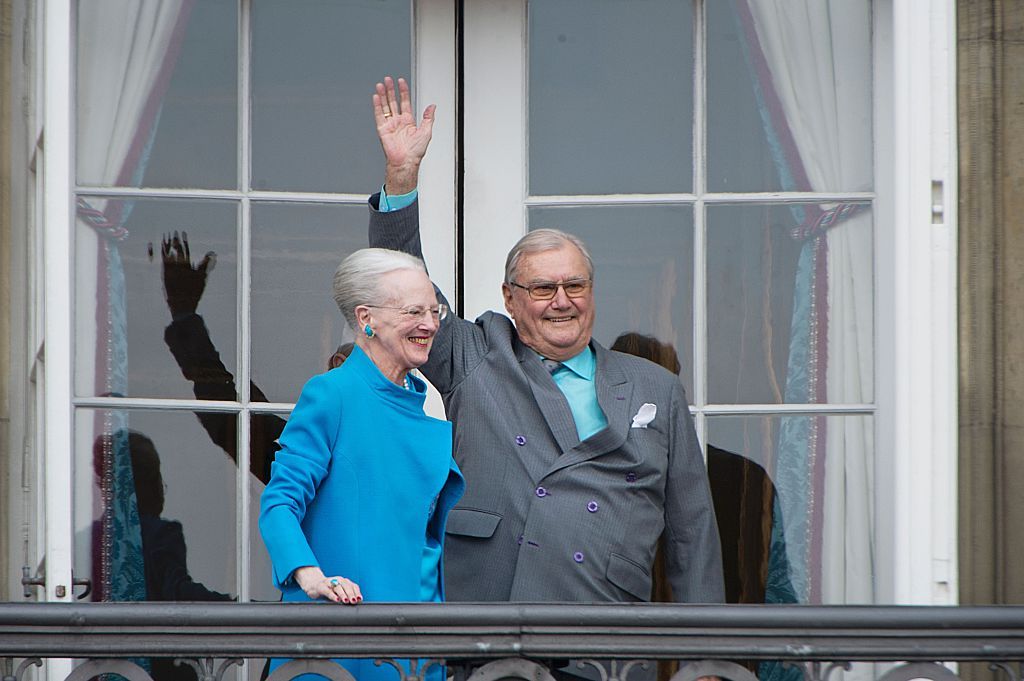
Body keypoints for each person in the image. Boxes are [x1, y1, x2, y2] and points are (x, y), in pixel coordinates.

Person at [367, 76, 724, 606]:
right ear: (510, 298)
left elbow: (693, 532)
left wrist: (707, 659)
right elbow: (401, 285)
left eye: (575, 285)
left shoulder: (655, 387)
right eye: (542, 288)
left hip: (607, 637)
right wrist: (401, 178)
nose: (562, 300)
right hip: (490, 622)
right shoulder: (476, 355)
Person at [258, 247, 465, 681]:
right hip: (343, 641)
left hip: (416, 643)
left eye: (434, 310)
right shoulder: (333, 394)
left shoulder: (429, 402)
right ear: (366, 318)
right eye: (413, 311)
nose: (429, 324)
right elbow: (279, 504)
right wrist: (309, 575)